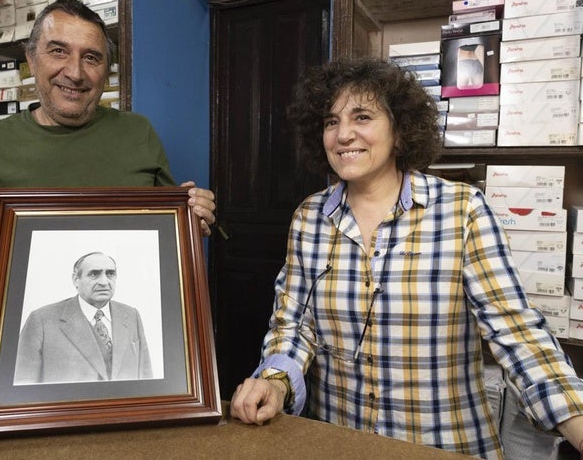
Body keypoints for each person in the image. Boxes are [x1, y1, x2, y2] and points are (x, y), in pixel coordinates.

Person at [229, 59, 583, 459]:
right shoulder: (309, 218)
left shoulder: (462, 211)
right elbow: (293, 324)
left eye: (362, 117)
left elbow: (516, 333)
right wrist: (276, 382)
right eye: (331, 122)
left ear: (399, 130)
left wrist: (577, 421)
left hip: (444, 446)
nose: (343, 134)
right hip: (337, 445)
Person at [0, 0, 215, 339]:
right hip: (13, 339)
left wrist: (192, 219)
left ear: (106, 71)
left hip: (122, 338)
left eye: (91, 57)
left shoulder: (140, 134)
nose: (75, 72)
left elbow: (164, 248)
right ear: (31, 60)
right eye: (58, 51)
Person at [14, 251, 152, 384]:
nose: (104, 282)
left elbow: (146, 377)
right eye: (94, 274)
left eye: (110, 274)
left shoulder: (131, 315)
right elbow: (23, 384)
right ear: (76, 279)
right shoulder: (41, 320)